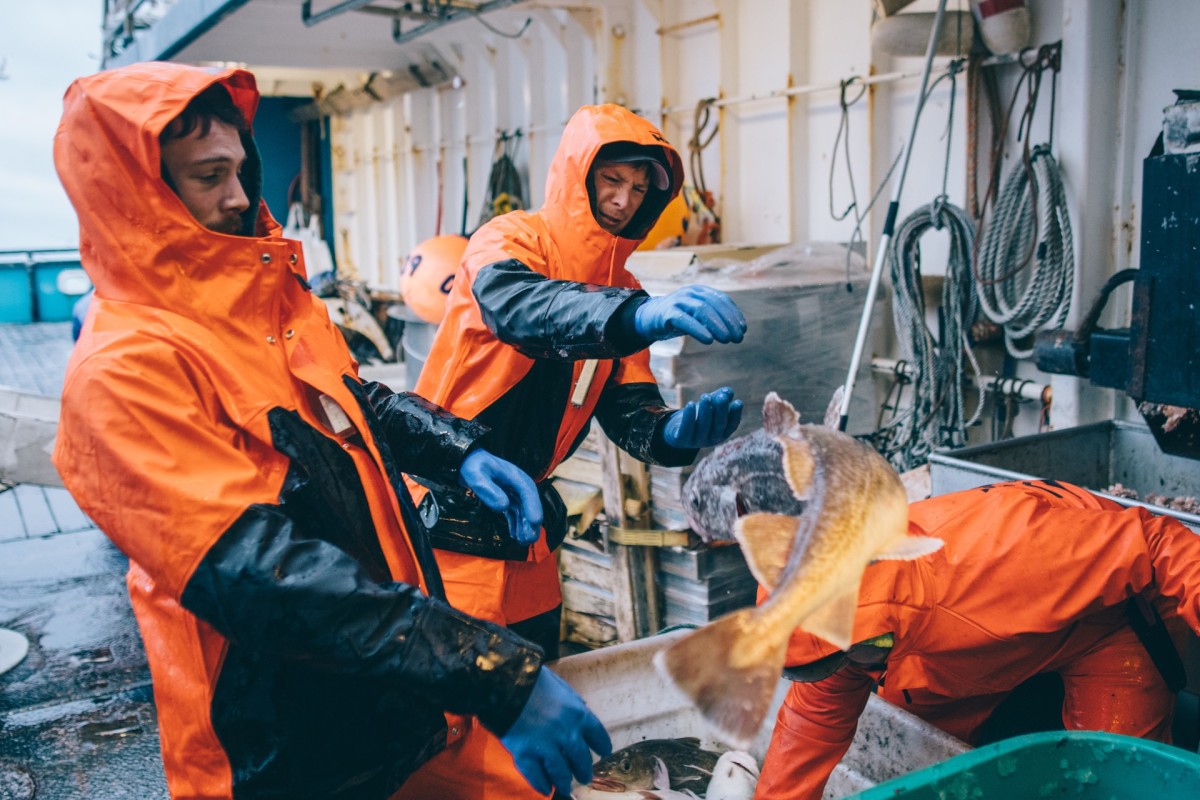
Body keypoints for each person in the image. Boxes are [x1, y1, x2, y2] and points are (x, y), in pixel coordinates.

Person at [52, 62, 610, 800]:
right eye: (206, 176)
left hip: (394, 700)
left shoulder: (266, 304)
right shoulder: (124, 370)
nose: (238, 196)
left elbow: (354, 405)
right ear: (136, 195)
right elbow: (263, 577)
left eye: (241, 169)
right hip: (283, 753)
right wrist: (489, 672)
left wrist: (461, 451)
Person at [396, 104, 748, 798]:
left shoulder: (624, 294)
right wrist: (637, 316)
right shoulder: (508, 241)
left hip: (528, 537)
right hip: (445, 525)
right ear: (574, 176)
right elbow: (521, 309)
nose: (623, 201)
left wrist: (679, 435)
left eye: (641, 191)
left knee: (536, 703)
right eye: (610, 180)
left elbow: (631, 413)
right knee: (441, 728)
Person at [754, 479, 1200, 800]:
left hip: (1104, 622)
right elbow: (809, 728)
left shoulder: (1009, 554)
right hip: (944, 649)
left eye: (854, 654)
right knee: (942, 773)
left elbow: (1160, 545)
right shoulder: (839, 635)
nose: (843, 670)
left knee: (1117, 777)